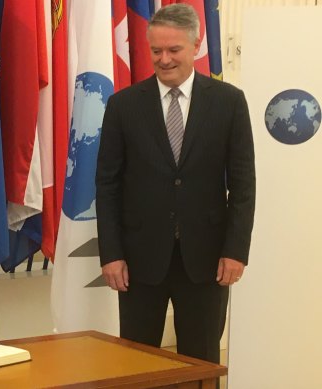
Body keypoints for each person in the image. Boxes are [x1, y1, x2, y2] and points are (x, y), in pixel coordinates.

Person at [95, 4, 255, 364]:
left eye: (173, 50)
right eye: (156, 51)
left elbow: (244, 184)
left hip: (207, 260)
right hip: (138, 261)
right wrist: (112, 254)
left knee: (200, 362)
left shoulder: (229, 102)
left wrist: (235, 250)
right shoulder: (123, 105)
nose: (164, 59)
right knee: (137, 363)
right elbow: (107, 186)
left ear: (195, 47)